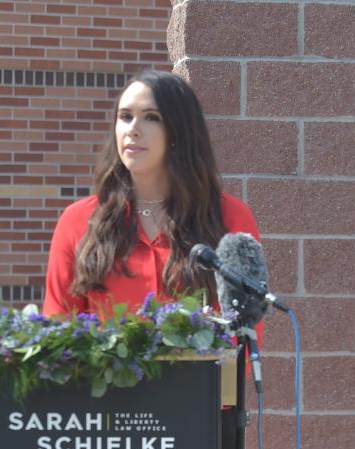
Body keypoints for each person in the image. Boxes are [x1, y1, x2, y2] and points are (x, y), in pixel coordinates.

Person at [43, 70, 260, 317]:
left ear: (180, 131)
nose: (133, 130)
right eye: (125, 116)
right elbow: (58, 328)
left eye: (151, 118)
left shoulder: (229, 217)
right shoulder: (78, 221)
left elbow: (243, 332)